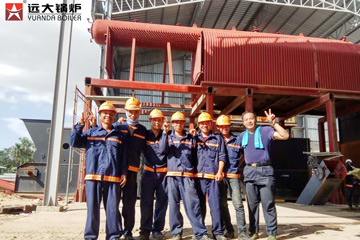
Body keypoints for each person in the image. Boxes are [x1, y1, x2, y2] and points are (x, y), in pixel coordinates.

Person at [70, 101, 127, 240]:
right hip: (93, 177)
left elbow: (123, 156)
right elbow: (74, 142)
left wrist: (124, 172)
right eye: (105, 113)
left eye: (110, 113)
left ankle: (113, 236)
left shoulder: (119, 135)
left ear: (114, 116)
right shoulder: (91, 133)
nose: (107, 115)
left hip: (113, 178)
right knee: (93, 210)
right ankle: (90, 236)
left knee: (113, 210)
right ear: (100, 115)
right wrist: (80, 125)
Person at [239, 109, 289, 240]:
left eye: (251, 118)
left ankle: (271, 233)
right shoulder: (242, 136)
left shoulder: (265, 131)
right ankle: (253, 232)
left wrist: (274, 123)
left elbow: (285, 136)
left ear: (255, 119)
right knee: (252, 205)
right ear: (243, 123)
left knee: (268, 204)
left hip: (265, 171)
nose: (249, 121)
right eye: (246, 120)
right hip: (249, 171)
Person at [160, 111, 210, 240]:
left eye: (181, 122)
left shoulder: (190, 138)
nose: (178, 124)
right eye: (176, 122)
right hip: (172, 176)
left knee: (193, 204)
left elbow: (196, 155)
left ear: (184, 123)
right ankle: (176, 232)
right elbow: (162, 150)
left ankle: (200, 233)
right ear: (172, 124)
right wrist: (165, 132)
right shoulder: (168, 137)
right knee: (174, 205)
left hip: (187, 176)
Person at [115, 97, 147, 240]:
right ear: (126, 111)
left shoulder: (142, 130)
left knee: (129, 204)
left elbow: (150, 149)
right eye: (131, 112)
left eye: (136, 112)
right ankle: (116, 231)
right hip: (116, 172)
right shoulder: (118, 127)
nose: (133, 114)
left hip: (133, 172)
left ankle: (128, 232)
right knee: (113, 203)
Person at [216, 115, 251, 240]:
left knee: (238, 204)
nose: (225, 128)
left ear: (229, 126)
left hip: (234, 176)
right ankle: (229, 230)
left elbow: (244, 155)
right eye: (222, 126)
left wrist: (237, 165)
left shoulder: (237, 140)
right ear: (218, 127)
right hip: (220, 177)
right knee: (222, 204)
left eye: (226, 125)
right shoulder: (215, 139)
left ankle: (242, 232)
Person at [194, 112, 227, 240]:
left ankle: (218, 232)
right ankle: (201, 232)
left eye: (206, 123)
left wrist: (219, 172)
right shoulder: (194, 138)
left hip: (213, 178)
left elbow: (222, 156)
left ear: (210, 124)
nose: (204, 125)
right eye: (201, 123)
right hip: (198, 178)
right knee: (199, 206)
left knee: (215, 205)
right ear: (198, 124)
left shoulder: (218, 139)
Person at [138, 109, 168, 240]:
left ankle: (157, 230)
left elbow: (165, 149)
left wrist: (166, 133)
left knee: (162, 203)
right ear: (150, 120)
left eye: (159, 119)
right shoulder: (145, 134)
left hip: (163, 176)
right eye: (154, 119)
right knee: (146, 203)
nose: (157, 121)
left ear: (163, 121)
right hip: (148, 174)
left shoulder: (168, 134)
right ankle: (145, 231)